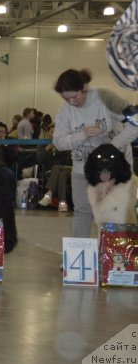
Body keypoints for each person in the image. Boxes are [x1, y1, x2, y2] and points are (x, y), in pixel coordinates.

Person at [52, 69, 138, 238]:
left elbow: (135, 123)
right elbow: (58, 142)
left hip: (117, 168)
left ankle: (118, 254)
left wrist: (113, 146)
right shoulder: (65, 111)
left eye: (75, 96)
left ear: (84, 88)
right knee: (82, 211)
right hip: (83, 168)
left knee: (121, 208)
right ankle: (78, 255)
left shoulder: (106, 98)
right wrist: (82, 135)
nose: (71, 101)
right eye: (66, 98)